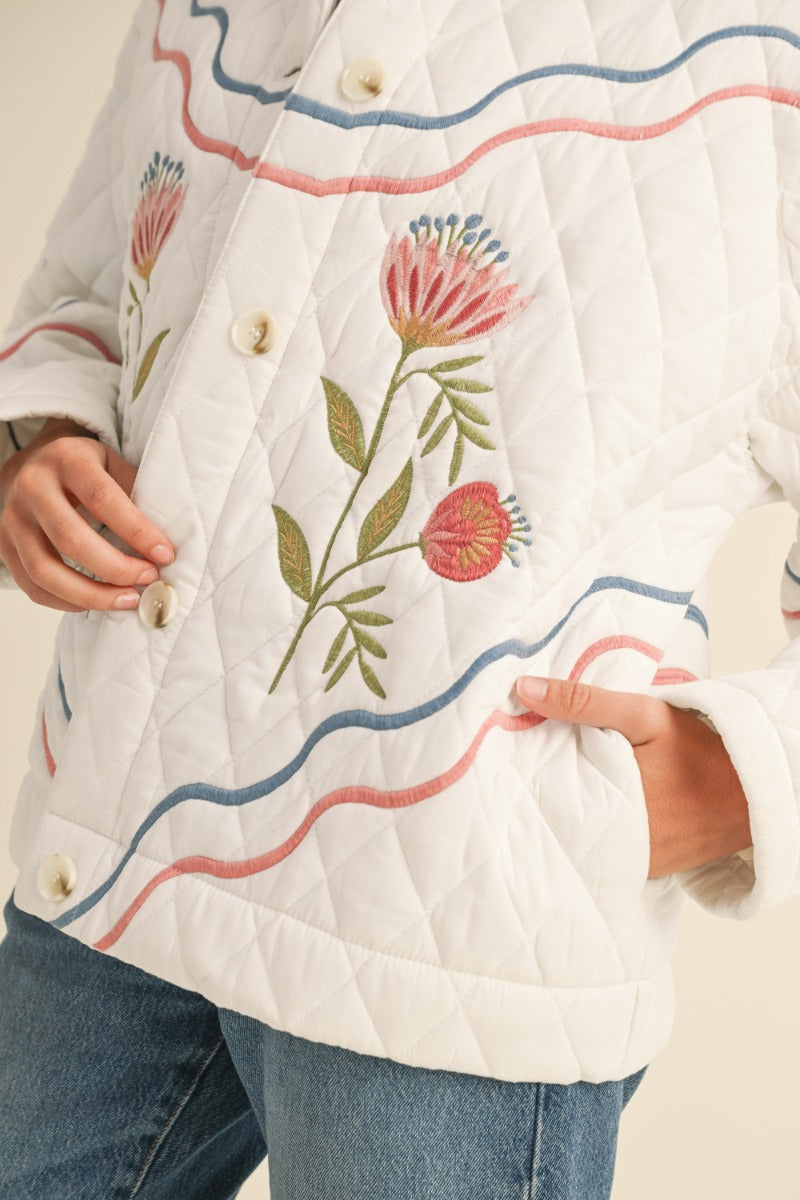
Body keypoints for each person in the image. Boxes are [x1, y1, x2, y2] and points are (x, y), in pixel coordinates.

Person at [1, 0, 797, 1194]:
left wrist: (749, 777)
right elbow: (87, 287)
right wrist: (38, 443)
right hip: (121, 852)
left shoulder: (757, 49)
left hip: (449, 930)